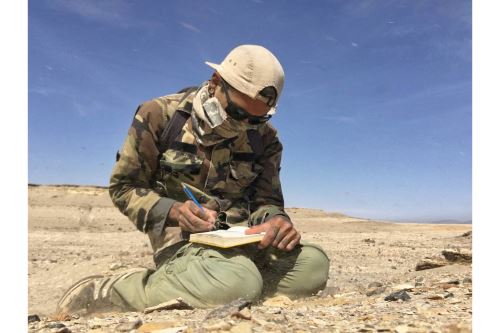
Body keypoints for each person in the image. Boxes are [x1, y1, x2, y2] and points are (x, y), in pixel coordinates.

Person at [56, 44, 330, 314]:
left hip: (241, 240)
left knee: (313, 265)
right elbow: (124, 187)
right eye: (237, 113)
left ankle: (230, 285)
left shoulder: (266, 139)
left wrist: (276, 220)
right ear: (215, 83)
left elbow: (266, 200)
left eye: (256, 120)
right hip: (184, 241)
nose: (245, 125)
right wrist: (173, 210)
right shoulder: (159, 115)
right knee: (238, 280)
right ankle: (112, 289)